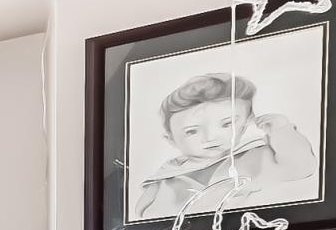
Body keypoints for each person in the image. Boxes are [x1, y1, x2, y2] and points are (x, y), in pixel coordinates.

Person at [133, 71, 317, 220]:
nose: (210, 137)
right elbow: (141, 216)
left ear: (245, 124)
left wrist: (281, 129)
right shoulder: (165, 177)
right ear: (171, 139)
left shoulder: (255, 156)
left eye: (227, 124)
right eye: (192, 131)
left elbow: (301, 166)